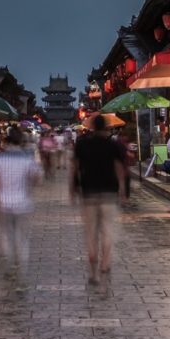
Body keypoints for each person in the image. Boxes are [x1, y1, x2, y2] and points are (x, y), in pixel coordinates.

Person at [71, 114, 127, 285]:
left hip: (89, 193)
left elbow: (74, 168)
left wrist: (72, 189)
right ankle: (105, 263)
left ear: (92, 127)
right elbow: (119, 169)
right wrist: (123, 191)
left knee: (91, 234)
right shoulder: (113, 145)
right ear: (107, 127)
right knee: (107, 231)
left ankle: (94, 273)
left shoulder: (82, 144)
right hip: (109, 193)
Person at [0, 126, 42, 285]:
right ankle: (21, 273)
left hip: (3, 202)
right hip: (23, 203)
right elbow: (37, 177)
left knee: (5, 236)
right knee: (22, 239)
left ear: (6, 141)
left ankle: (9, 267)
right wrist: (29, 184)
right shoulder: (27, 158)